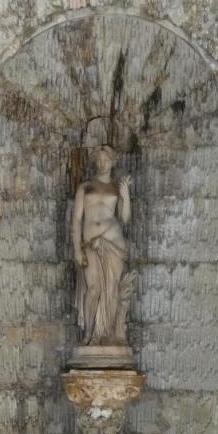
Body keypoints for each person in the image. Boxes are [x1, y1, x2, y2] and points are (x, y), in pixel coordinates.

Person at [71, 145, 136, 346]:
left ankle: (108, 336)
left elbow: (124, 219)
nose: (101, 164)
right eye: (98, 160)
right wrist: (76, 248)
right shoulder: (85, 187)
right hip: (89, 244)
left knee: (112, 289)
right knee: (94, 289)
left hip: (114, 244)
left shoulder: (116, 188)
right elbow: (76, 220)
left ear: (113, 162)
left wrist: (126, 197)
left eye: (105, 160)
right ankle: (89, 333)